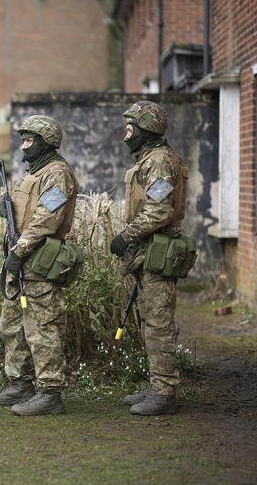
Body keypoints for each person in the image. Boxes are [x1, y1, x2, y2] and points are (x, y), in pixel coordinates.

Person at [0, 114, 79, 416]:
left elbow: (46, 220)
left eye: (29, 140)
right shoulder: (33, 173)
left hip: (39, 261)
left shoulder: (57, 173)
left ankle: (50, 393)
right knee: (11, 326)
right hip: (21, 262)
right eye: (23, 140)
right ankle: (20, 383)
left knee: (43, 330)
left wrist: (20, 250)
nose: (23, 146)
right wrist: (8, 209)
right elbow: (27, 213)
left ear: (45, 142)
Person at [109, 101, 190, 416]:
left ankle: (164, 393)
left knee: (158, 324)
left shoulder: (157, 162)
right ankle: (157, 385)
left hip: (157, 251)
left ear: (147, 129)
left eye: (130, 129)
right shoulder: (150, 159)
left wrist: (125, 237)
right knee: (149, 321)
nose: (126, 135)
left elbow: (159, 211)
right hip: (147, 252)